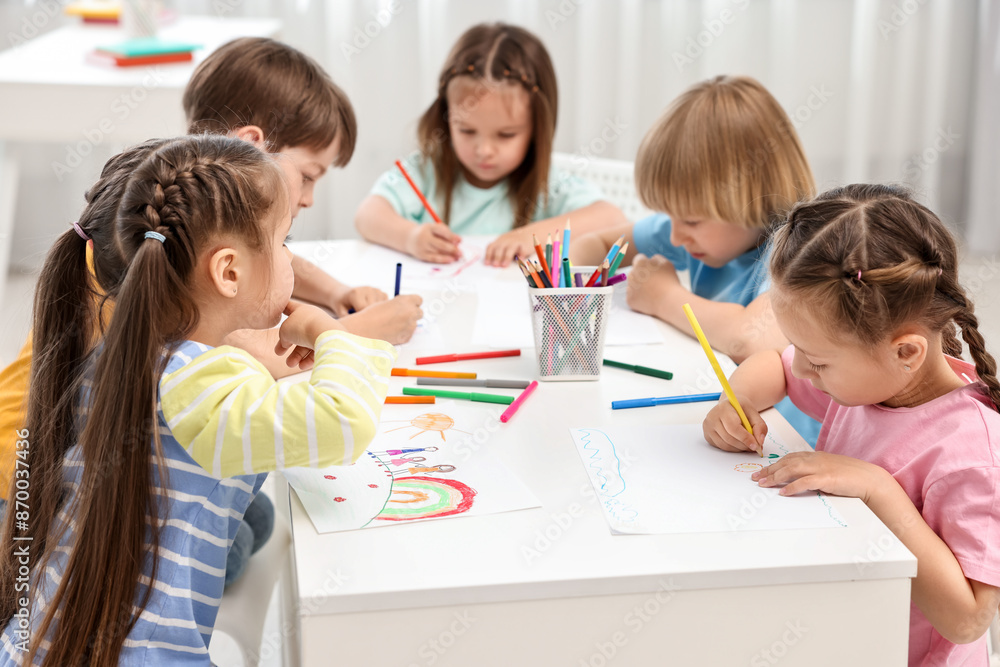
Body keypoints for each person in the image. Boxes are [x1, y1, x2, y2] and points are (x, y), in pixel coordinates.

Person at [0, 136, 396, 664]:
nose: (289, 260)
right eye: (284, 243)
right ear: (228, 272)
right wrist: (333, 335)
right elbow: (343, 424)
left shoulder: (140, 356)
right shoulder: (199, 384)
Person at [702, 184, 1000, 666]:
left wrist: (878, 489)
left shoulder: (971, 456)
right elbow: (775, 367)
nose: (802, 373)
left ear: (905, 352)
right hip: (840, 633)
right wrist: (735, 400)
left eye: (818, 363)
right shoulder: (872, 379)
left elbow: (967, 619)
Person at [571, 75, 820, 443]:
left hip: (790, 444)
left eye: (688, 220)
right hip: (729, 423)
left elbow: (749, 340)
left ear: (750, 195)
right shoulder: (706, 232)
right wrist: (572, 285)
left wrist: (662, 296)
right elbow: (597, 242)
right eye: (670, 216)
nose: (673, 236)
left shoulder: (800, 250)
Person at [355, 22, 626, 267]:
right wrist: (410, 237)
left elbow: (613, 220)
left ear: (537, 129)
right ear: (446, 117)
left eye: (506, 135)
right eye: (467, 130)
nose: (484, 150)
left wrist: (531, 236)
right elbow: (367, 215)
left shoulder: (548, 184)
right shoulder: (426, 170)